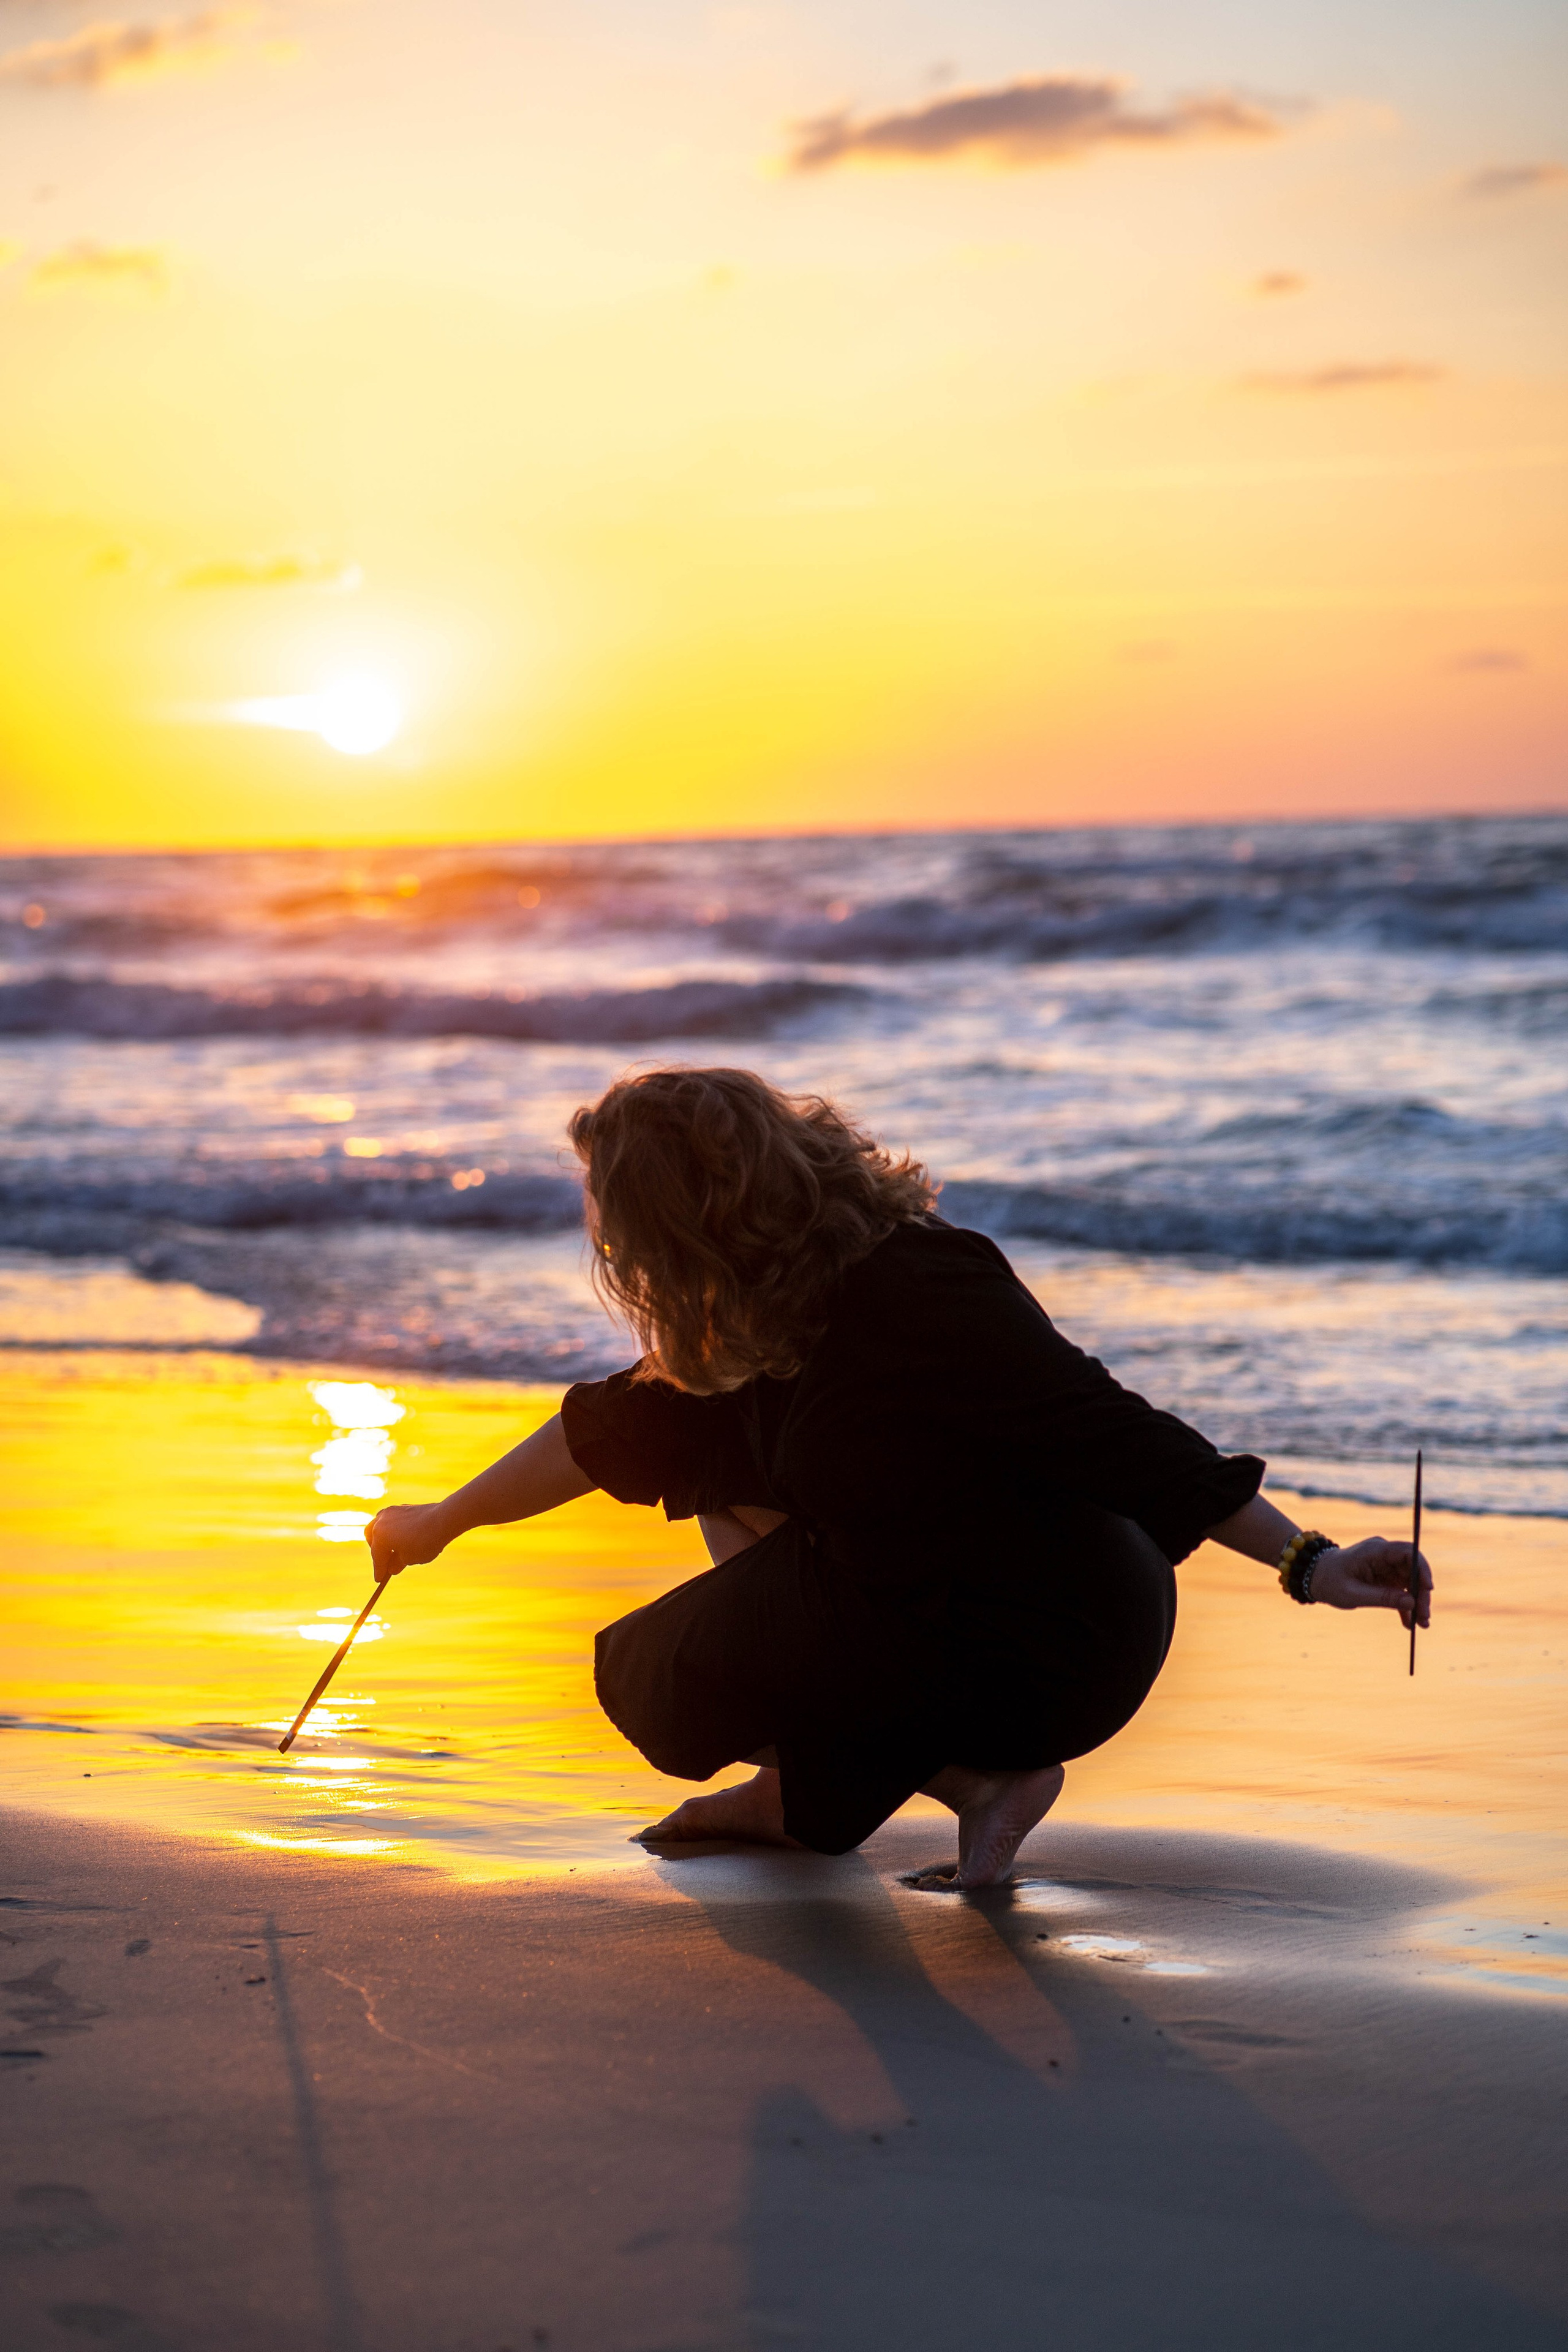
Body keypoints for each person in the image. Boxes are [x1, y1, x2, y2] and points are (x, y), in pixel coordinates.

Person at [366, 1067, 1432, 1890]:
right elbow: (599, 1435)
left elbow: (1117, 1432)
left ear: (682, 1222)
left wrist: (1312, 1562)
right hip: (952, 1603)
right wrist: (437, 1524)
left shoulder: (922, 1285)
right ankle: (864, 1787)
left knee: (648, 1679)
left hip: (1058, 1629)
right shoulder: (764, 1316)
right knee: (693, 1456)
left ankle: (963, 1778)